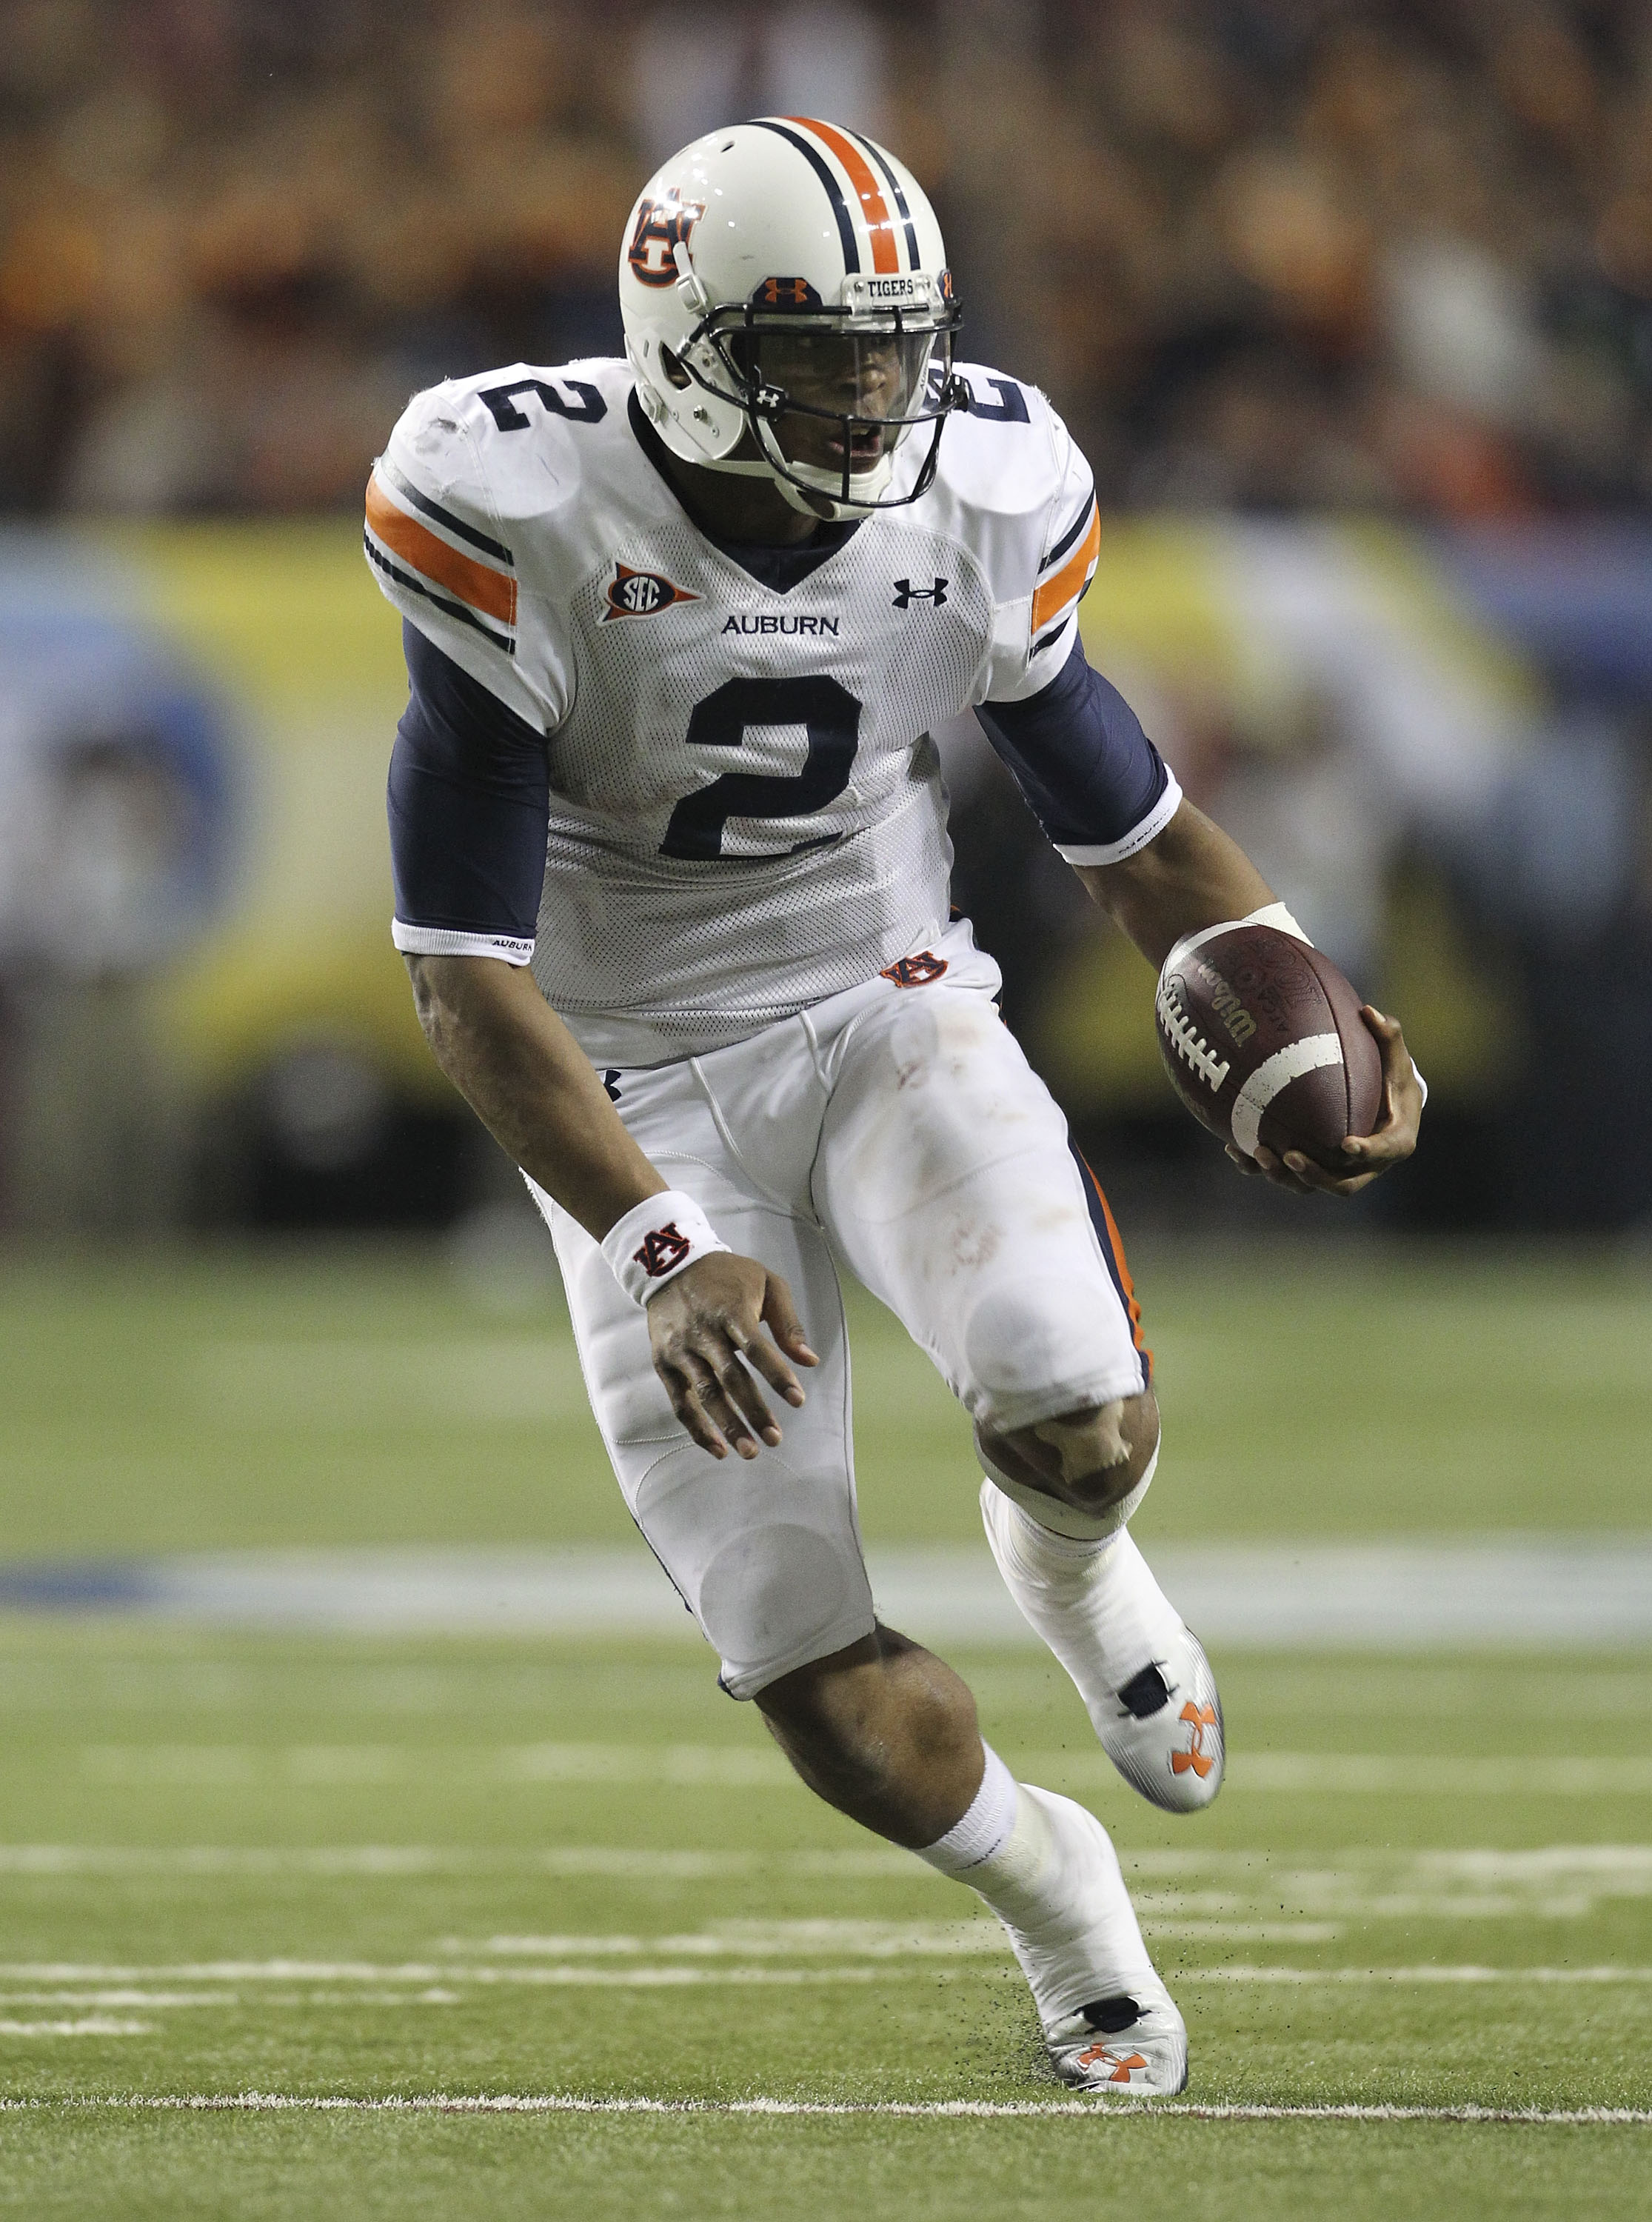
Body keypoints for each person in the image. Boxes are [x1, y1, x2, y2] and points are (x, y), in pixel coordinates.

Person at [364, 119, 1423, 2096]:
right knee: (810, 1672)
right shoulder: (514, 501)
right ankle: (1062, 1900)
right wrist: (660, 1245)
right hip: (624, 1085)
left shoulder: (983, 491)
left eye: (894, 345)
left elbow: (1127, 824)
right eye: (820, 351)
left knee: (1076, 1404)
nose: (873, 395)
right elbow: (466, 979)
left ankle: (1076, 1563)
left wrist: (1304, 989)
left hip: (880, 996)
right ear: (686, 343)